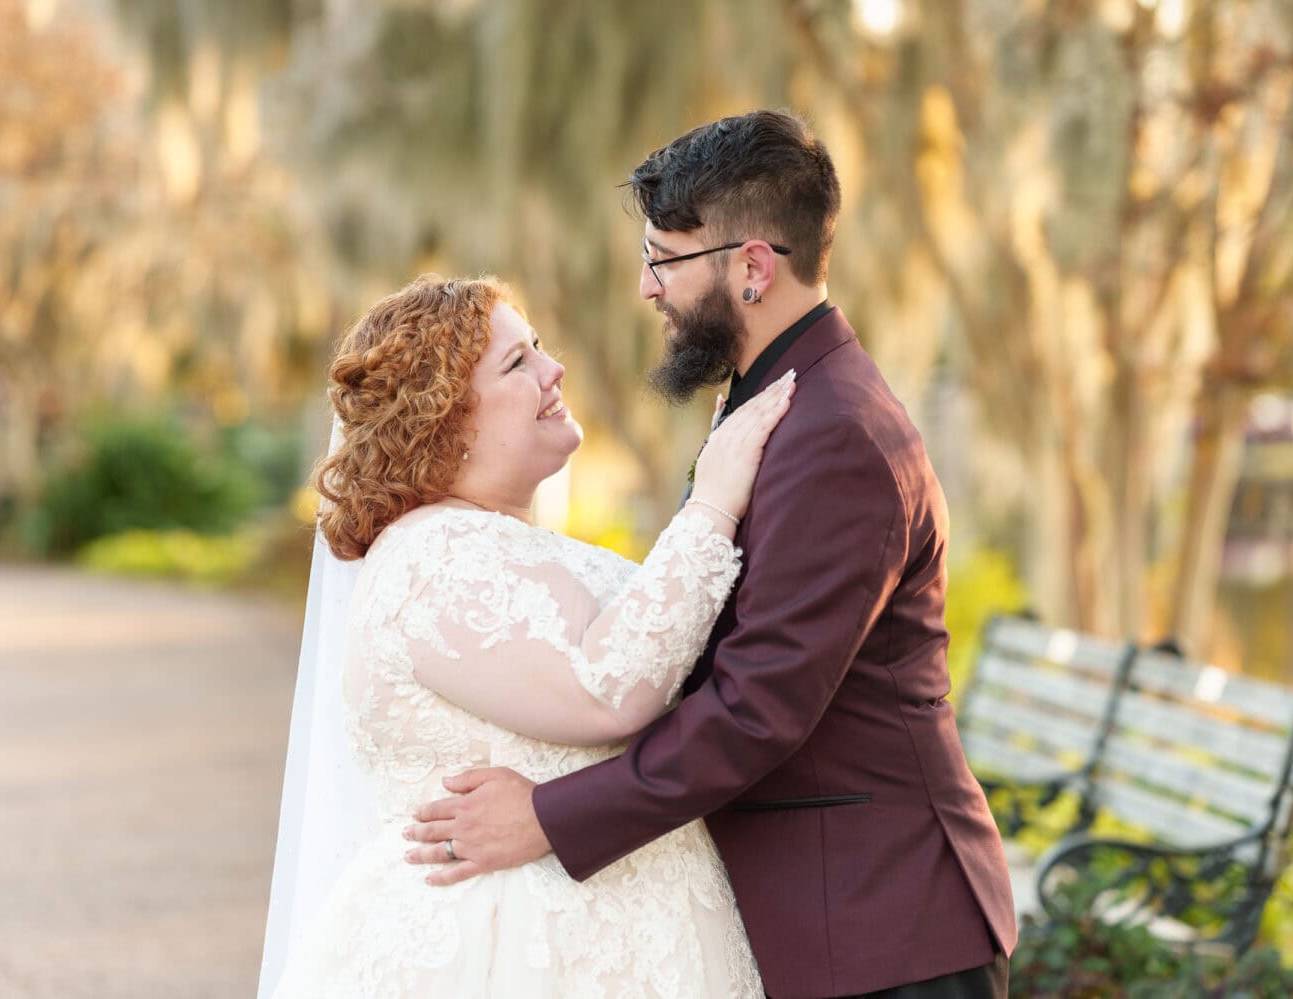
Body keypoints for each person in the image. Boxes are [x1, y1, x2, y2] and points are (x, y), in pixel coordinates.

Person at [403, 110, 1018, 998]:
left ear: (753, 267)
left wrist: (545, 816)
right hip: (835, 916)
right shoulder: (781, 397)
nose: (648, 288)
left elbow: (756, 708)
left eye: (664, 259)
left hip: (884, 928)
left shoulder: (835, 433)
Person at [261, 273, 796, 997]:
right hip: (508, 952)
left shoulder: (488, 542)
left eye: (538, 347)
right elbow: (607, 689)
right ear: (443, 419)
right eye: (519, 363)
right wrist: (714, 503)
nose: (556, 370)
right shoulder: (434, 559)